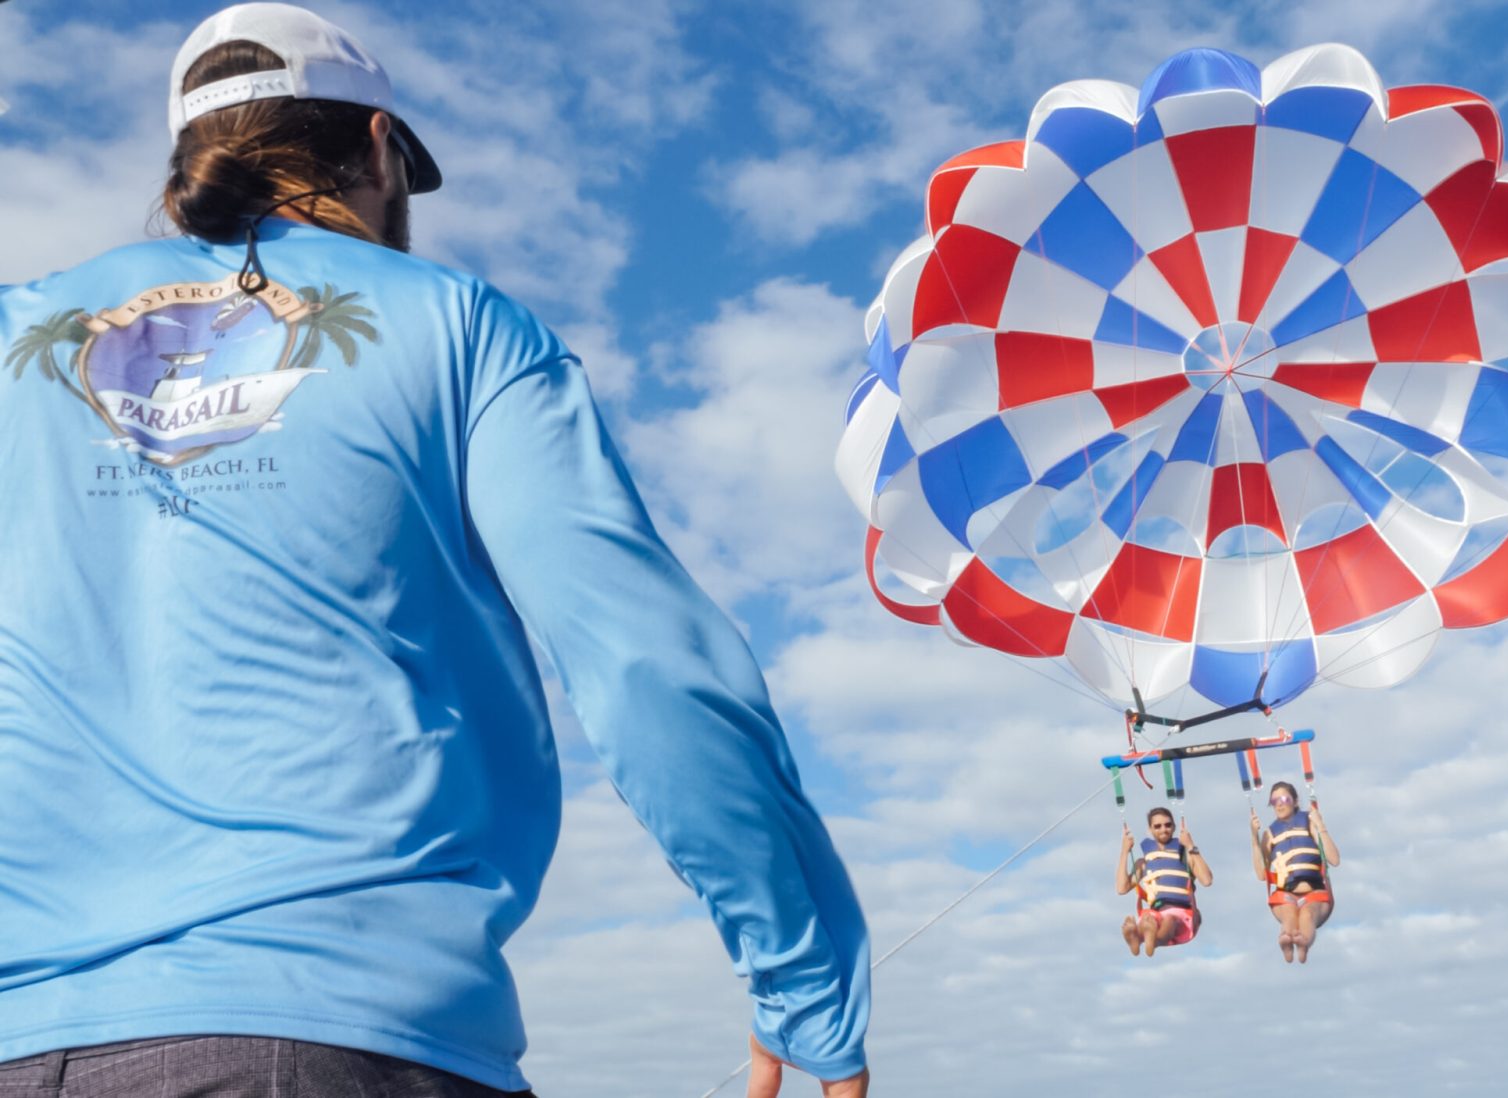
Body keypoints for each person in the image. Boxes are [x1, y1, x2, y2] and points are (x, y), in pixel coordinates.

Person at [0, 5, 867, 1096]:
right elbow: (650, 668)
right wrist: (803, 981)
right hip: (346, 1036)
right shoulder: (461, 324)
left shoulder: (12, 332)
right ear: (378, 147)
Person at [1249, 781, 1340, 964]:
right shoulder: (1269, 833)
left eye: (1284, 798)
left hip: (1315, 891)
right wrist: (1254, 837)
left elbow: (1334, 860)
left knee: (1306, 914)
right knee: (1290, 915)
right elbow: (1261, 875)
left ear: (1295, 801)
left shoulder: (1309, 821)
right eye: (1274, 801)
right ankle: (1286, 941)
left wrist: (1320, 825)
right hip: (1285, 894)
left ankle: (1303, 943)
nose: (1279, 804)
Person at [1115, 808, 1213, 956]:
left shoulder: (1186, 856)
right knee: (1149, 920)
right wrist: (1124, 851)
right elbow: (1121, 888)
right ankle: (1137, 937)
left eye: (1168, 825)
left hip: (1183, 913)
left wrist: (1191, 846)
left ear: (1174, 827)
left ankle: (1152, 941)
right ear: (1150, 830)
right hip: (1157, 911)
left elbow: (1207, 880)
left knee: (1169, 920)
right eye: (1158, 826)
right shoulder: (1144, 862)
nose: (1164, 829)